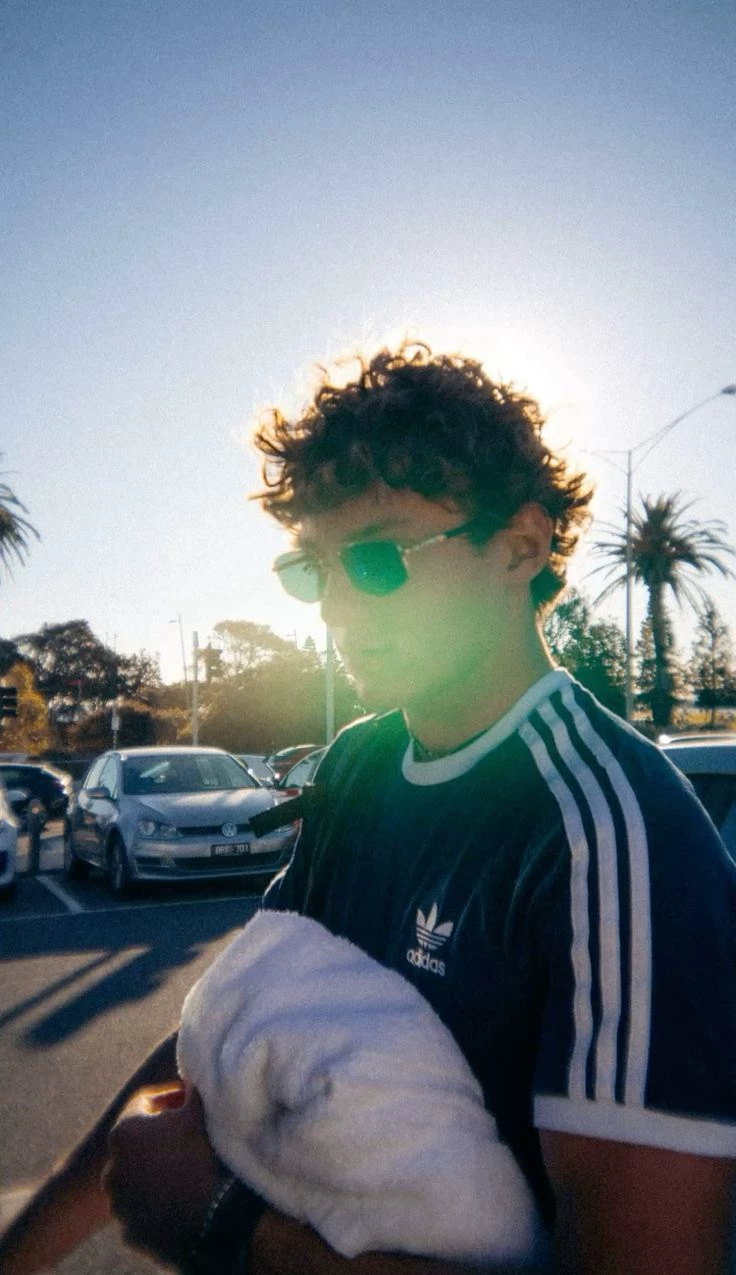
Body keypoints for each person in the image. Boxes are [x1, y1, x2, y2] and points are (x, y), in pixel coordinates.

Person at [1, 341, 734, 1274]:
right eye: (316, 568)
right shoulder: (359, 765)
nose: (337, 608)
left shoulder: (608, 830)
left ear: (521, 545)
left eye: (380, 558)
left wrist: (227, 1227)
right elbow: (239, 1025)